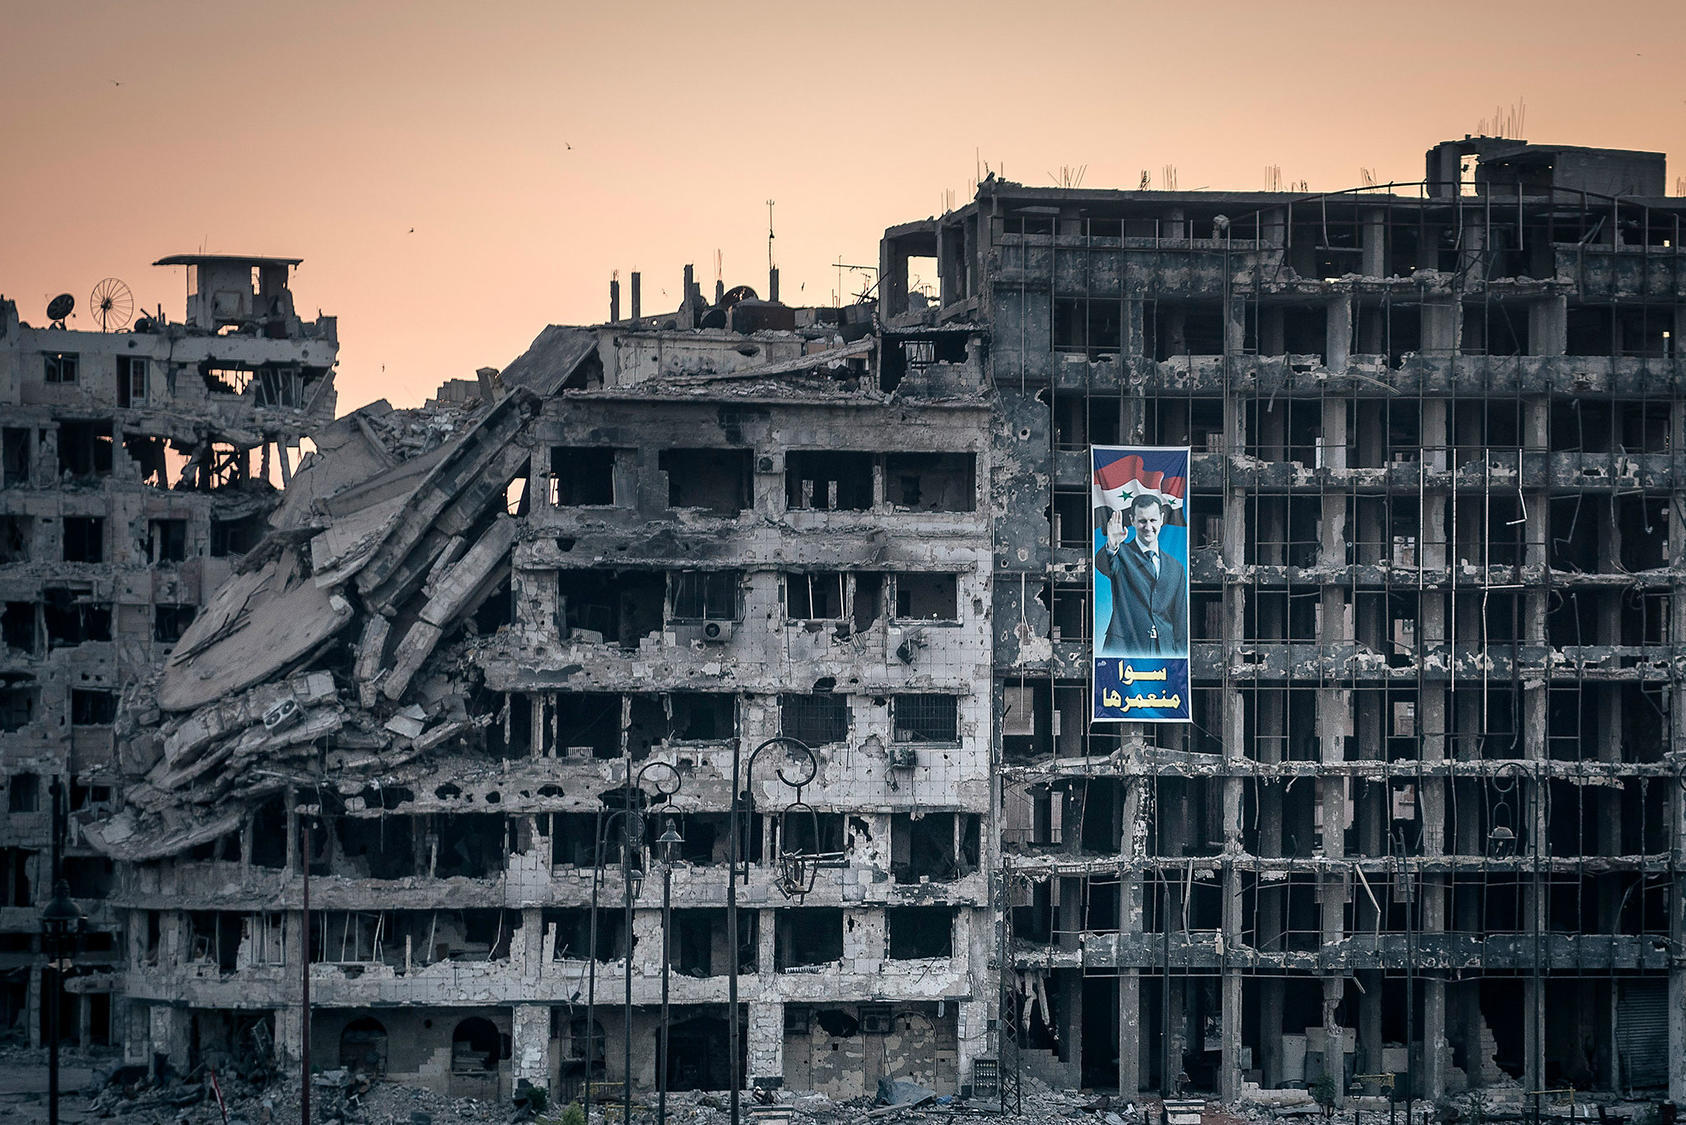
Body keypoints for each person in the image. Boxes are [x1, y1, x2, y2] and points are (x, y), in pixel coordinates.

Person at [1095, 493, 1187, 656]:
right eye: (1142, 521)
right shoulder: (1121, 553)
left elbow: (1180, 619)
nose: (1148, 527)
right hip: (1124, 649)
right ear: (1132, 520)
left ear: (1162, 519)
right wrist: (1111, 545)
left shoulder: (1176, 568)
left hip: (1164, 650)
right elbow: (1103, 564)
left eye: (1152, 520)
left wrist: (1180, 658)